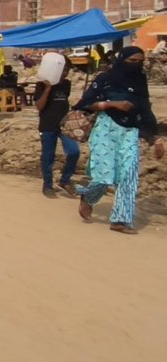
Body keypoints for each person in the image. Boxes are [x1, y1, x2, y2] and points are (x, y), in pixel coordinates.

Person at [73, 46, 165, 234]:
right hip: (106, 128)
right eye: (132, 61)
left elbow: (145, 107)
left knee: (128, 176)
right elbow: (84, 104)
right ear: (122, 59)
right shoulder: (105, 79)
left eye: (140, 61)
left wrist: (154, 137)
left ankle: (121, 220)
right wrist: (112, 104)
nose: (137, 65)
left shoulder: (140, 80)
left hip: (131, 131)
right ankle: (88, 197)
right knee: (104, 177)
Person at [33, 57, 79, 198]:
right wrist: (48, 89)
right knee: (48, 157)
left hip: (64, 125)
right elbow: (39, 106)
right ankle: (47, 186)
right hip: (47, 125)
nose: (64, 73)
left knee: (74, 152)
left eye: (67, 70)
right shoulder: (41, 85)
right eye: (62, 69)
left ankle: (65, 180)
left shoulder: (66, 84)